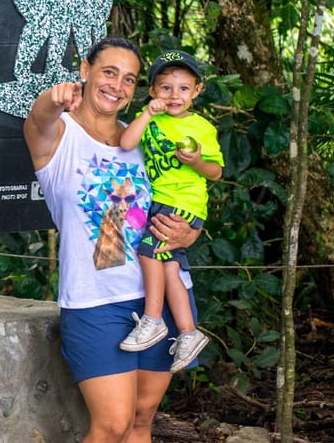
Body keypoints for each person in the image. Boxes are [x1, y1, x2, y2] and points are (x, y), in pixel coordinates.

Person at [24, 38, 202, 443]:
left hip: (163, 297)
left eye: (129, 79)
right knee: (111, 425)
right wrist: (52, 99)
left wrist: (192, 230)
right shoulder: (59, 135)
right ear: (85, 71)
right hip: (95, 301)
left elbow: (184, 194)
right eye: (108, 72)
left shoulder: (142, 137)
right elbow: (38, 120)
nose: (117, 85)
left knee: (141, 421)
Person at [118, 49, 223, 372]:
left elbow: (216, 172)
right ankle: (189, 332)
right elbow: (125, 143)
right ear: (152, 91)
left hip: (183, 205)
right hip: (158, 202)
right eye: (165, 87)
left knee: (149, 252)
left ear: (197, 90)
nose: (174, 95)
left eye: (183, 88)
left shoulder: (201, 127)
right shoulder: (153, 122)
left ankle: (153, 319)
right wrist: (147, 113)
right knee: (169, 268)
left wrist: (197, 161)